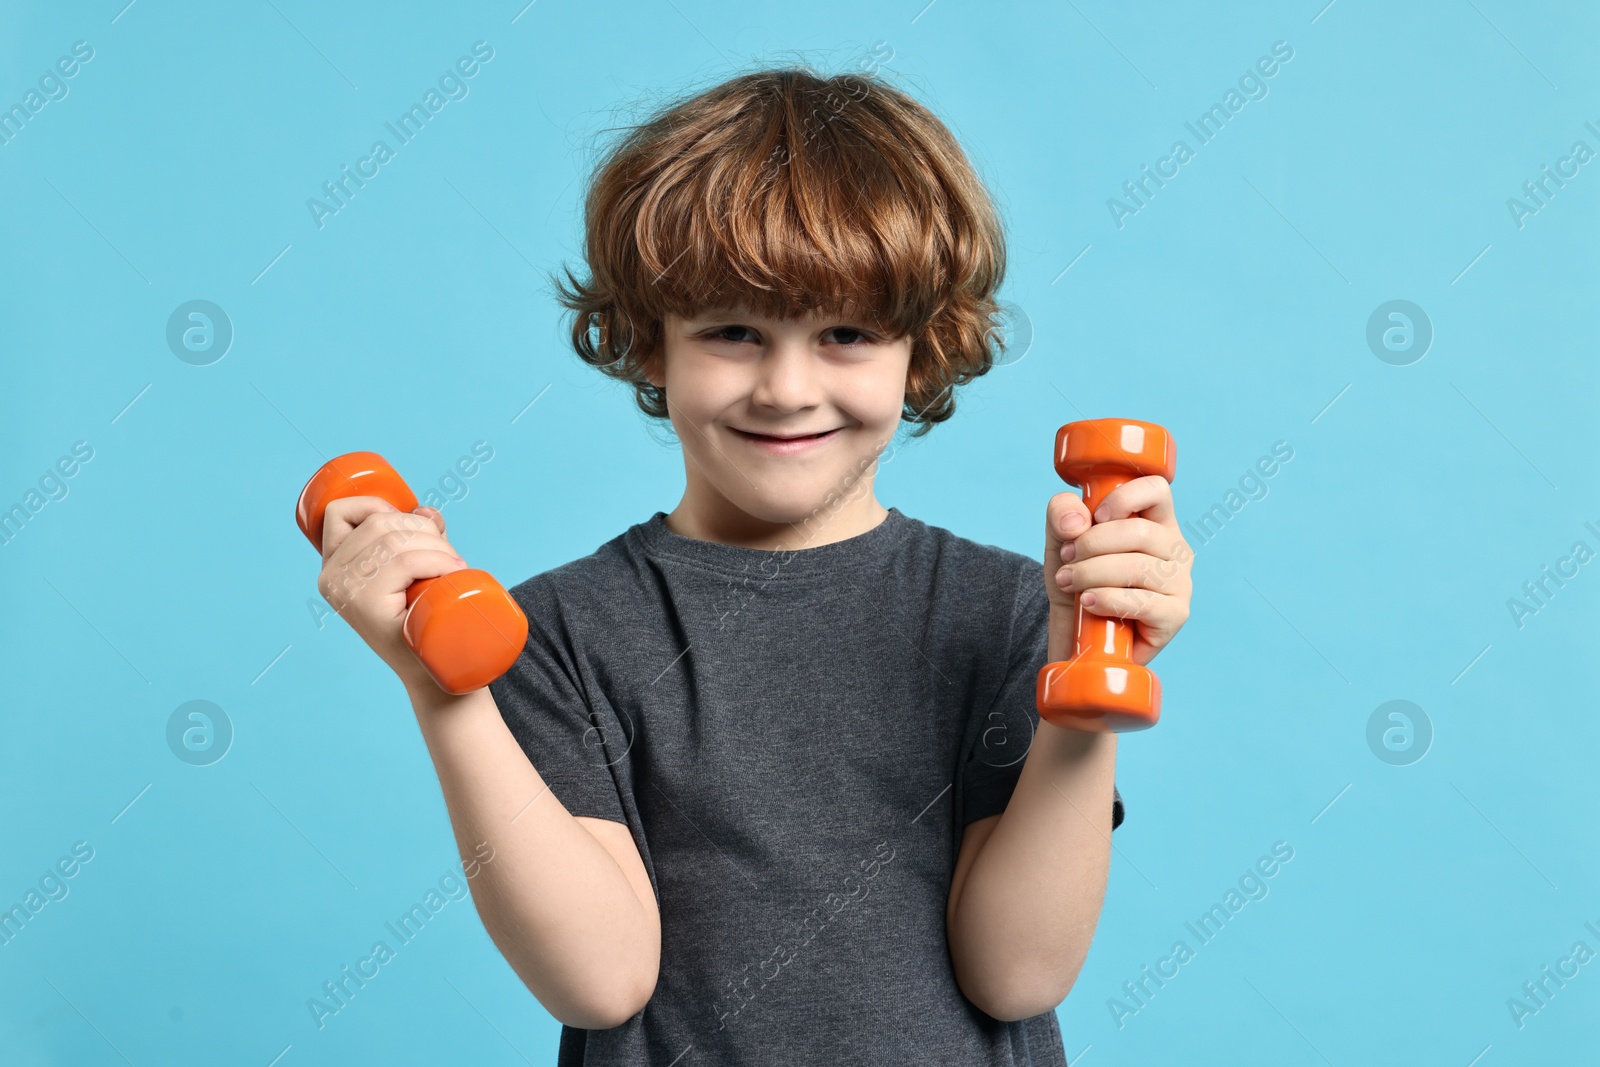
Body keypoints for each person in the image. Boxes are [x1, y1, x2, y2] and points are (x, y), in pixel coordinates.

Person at [312, 63, 1193, 1065]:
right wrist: (445, 692)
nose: (786, 387)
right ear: (649, 342)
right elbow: (601, 978)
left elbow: (1017, 971)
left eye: (846, 334)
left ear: (922, 349)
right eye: (733, 331)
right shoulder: (557, 632)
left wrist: (1084, 698)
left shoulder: (1004, 610)